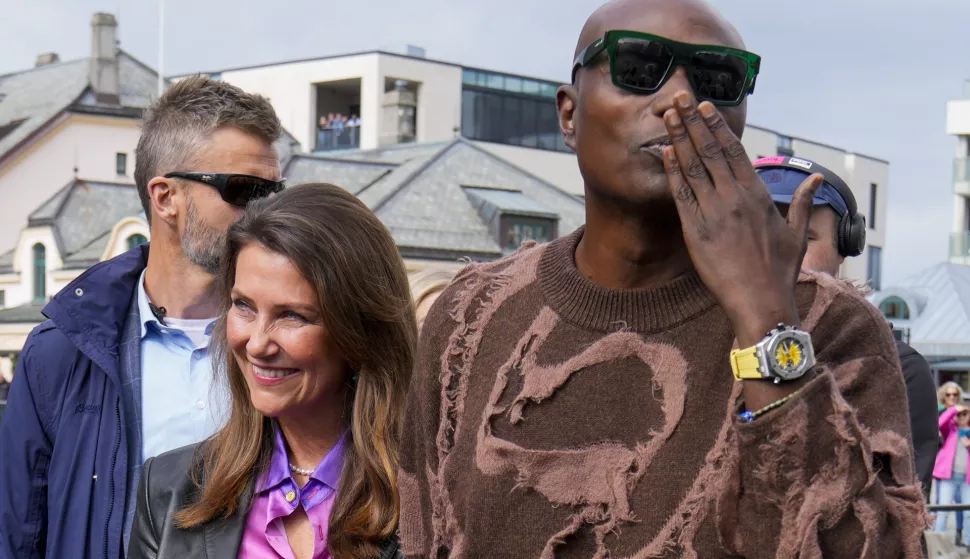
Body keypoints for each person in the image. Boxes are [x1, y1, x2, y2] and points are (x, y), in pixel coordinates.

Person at [398, 0, 927, 556]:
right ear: (569, 114)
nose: (680, 98)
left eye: (717, 79)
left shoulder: (827, 323)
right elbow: (422, 536)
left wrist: (766, 321)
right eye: (638, 67)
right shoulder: (472, 314)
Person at [0, 75, 284, 559]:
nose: (263, 213)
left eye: (274, 192)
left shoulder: (292, 347)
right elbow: (17, 533)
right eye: (242, 191)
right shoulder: (60, 352)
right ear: (166, 197)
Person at [128, 183, 413, 559]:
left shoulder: (435, 496)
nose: (258, 343)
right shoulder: (168, 490)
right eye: (243, 306)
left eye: (292, 315)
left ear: (359, 331)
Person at [755, 155, 940, 503]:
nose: (778, 253)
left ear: (845, 247)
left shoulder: (897, 369)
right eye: (760, 234)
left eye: (801, 236)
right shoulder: (695, 347)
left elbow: (886, 526)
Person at [934, 400, 970, 547]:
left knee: (968, 513)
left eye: (965, 414)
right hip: (949, 477)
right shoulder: (950, 430)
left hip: (966, 480)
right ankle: (938, 545)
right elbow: (939, 422)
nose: (961, 417)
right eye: (959, 415)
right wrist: (953, 409)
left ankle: (968, 544)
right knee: (943, 511)